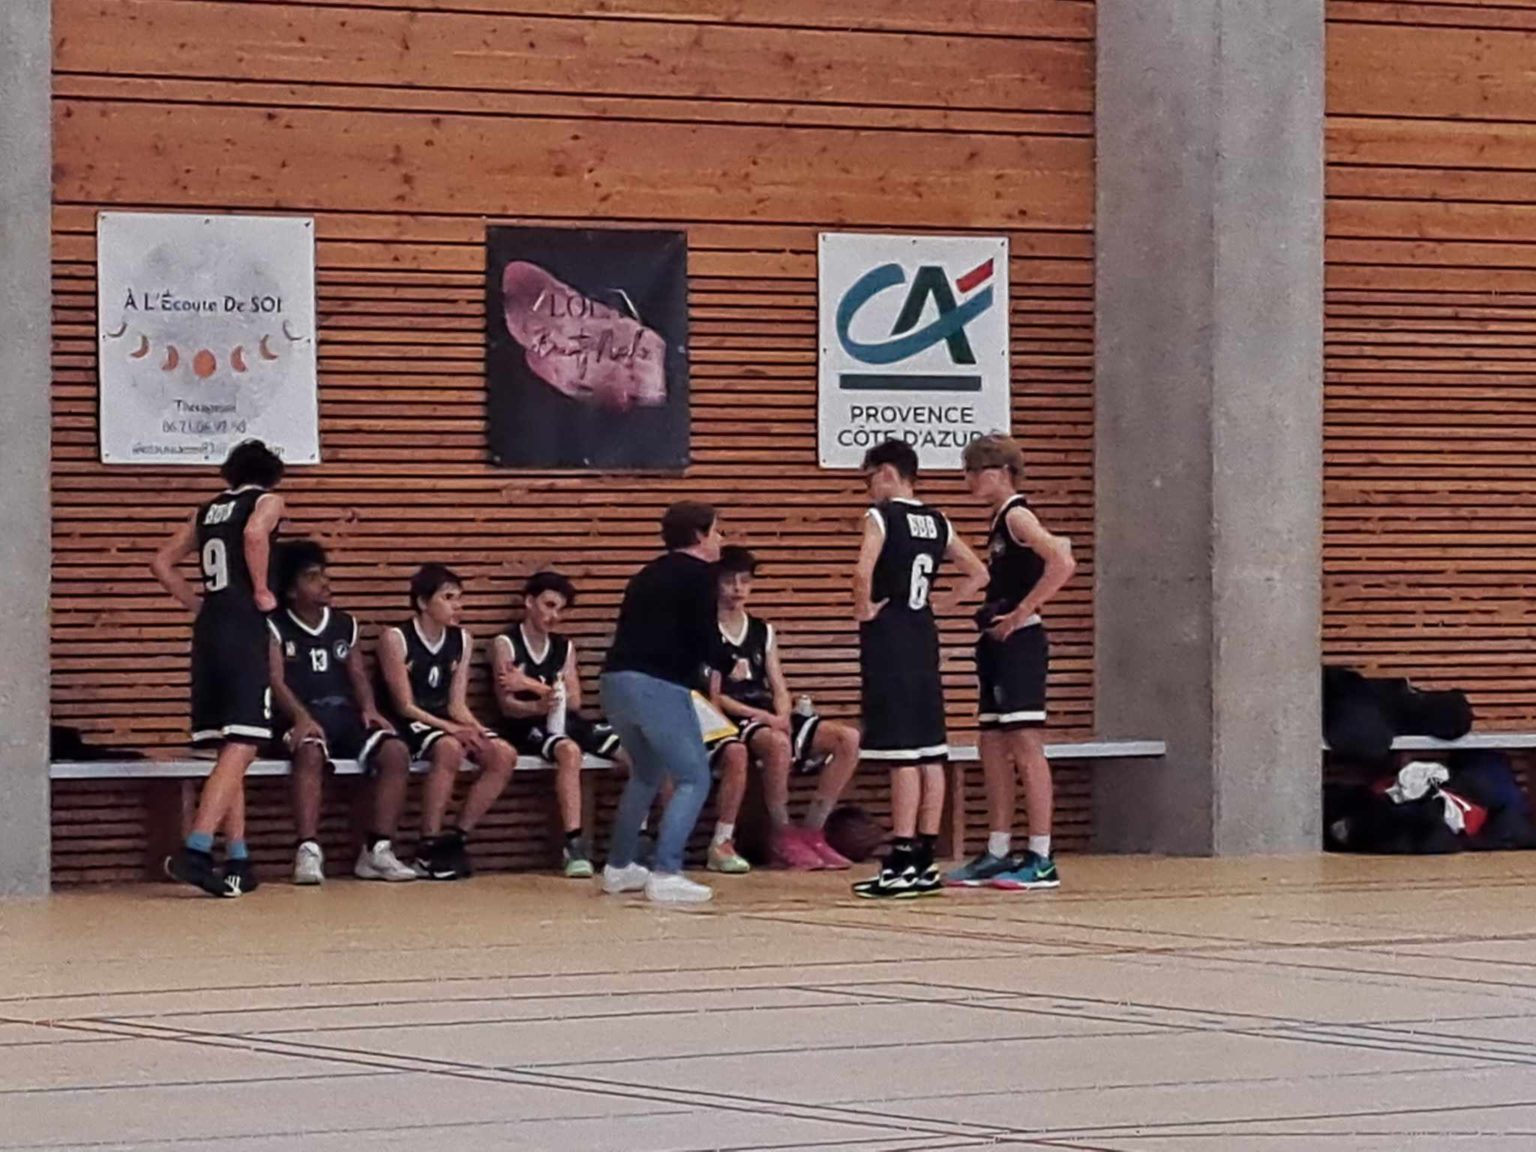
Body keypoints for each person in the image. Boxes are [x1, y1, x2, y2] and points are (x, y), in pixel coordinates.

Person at [851, 438, 988, 899]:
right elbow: (979, 573)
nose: (869, 488)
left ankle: (902, 857)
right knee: (931, 750)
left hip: (891, 636)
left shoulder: (881, 517)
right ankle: (925, 858)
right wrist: (939, 604)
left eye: (870, 478)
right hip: (924, 635)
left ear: (888, 473)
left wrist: (864, 609)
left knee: (903, 753)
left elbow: (862, 571)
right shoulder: (938, 520)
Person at [151, 439, 286, 898]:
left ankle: (239, 856)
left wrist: (198, 604)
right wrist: (262, 589)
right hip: (243, 625)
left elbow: (161, 563)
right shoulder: (268, 501)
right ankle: (197, 848)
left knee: (232, 746)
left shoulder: (205, 511)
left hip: (209, 627)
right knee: (246, 740)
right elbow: (254, 535)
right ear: (271, 474)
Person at [945, 434, 1076, 890]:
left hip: (1021, 642)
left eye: (973, 471)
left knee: (1025, 744)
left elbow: (1062, 562)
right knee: (991, 743)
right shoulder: (1000, 519)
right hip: (996, 644)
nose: (967, 480)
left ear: (1000, 472)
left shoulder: (1018, 515)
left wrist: (1022, 612)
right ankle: (998, 849)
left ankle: (1040, 855)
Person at [600, 501, 733, 904]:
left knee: (646, 772)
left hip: (615, 682)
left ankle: (619, 866)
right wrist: (732, 663)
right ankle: (666, 870)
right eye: (717, 530)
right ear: (699, 535)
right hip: (657, 685)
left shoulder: (646, 574)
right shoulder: (700, 575)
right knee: (694, 777)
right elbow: (704, 636)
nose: (721, 538)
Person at [267, 541, 417, 886]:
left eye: (324, 574)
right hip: (296, 716)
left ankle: (377, 849)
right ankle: (307, 849)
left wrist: (369, 708)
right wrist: (301, 717)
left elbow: (358, 675)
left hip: (343, 715)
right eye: (312, 577)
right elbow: (275, 680)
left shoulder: (344, 624)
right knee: (309, 751)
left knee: (396, 752)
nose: (324, 582)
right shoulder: (275, 626)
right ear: (291, 590)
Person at [709, 545, 861, 871]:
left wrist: (781, 713)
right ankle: (781, 832)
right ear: (715, 583)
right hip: (734, 716)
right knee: (777, 744)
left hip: (768, 713)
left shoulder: (762, 630)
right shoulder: (706, 630)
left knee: (847, 739)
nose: (738, 588)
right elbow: (714, 696)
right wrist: (763, 717)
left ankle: (814, 831)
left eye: (745, 581)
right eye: (730, 581)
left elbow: (778, 682)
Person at [378, 564, 518, 880]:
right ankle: (426, 845)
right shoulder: (396, 638)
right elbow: (404, 705)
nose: (458, 606)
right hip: (407, 721)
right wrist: (454, 729)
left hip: (443, 719)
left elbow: (456, 704)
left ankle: (454, 838)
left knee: (503, 754)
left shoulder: (462, 639)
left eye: (459, 598)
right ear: (422, 602)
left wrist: (478, 731)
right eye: (448, 598)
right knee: (449, 748)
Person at [491, 571, 625, 880]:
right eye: (549, 606)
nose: (554, 616)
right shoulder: (505, 643)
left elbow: (574, 701)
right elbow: (508, 705)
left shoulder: (564, 647)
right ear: (529, 602)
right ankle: (574, 844)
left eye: (560, 610)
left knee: (638, 752)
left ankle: (636, 839)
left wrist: (530, 685)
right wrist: (542, 701)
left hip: (564, 719)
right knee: (568, 751)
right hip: (525, 725)